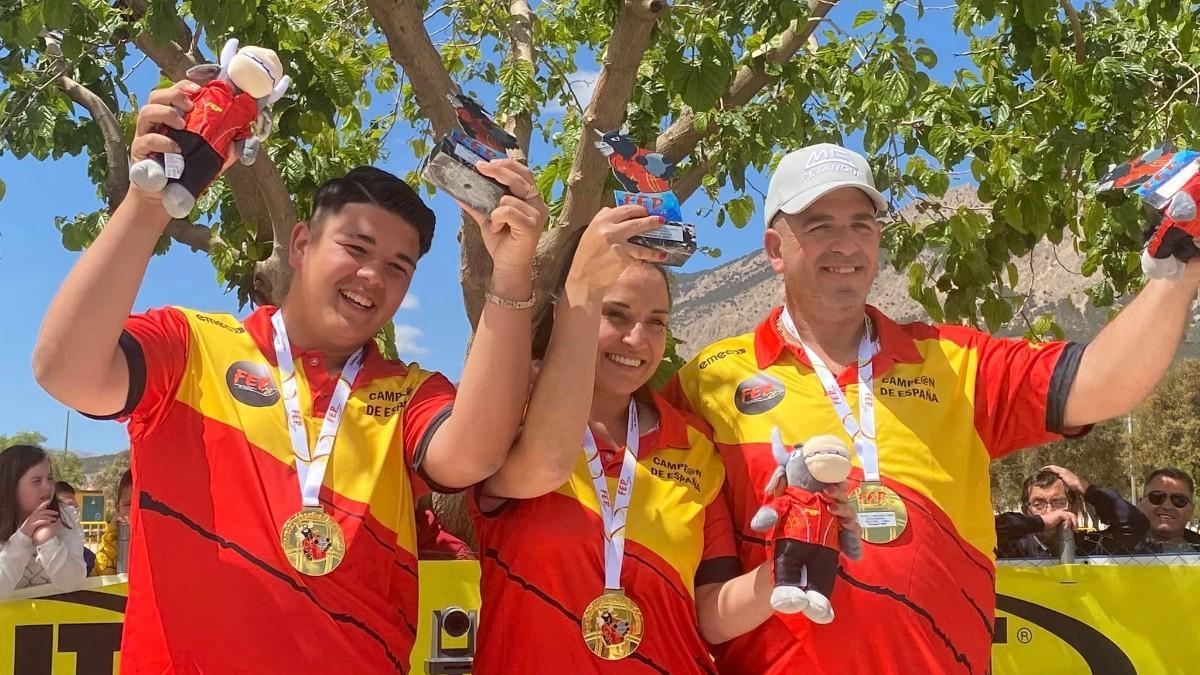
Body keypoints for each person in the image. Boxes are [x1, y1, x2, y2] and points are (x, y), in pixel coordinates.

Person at [32, 80, 548, 672]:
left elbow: (475, 456)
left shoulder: (409, 393)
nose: (373, 277)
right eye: (356, 248)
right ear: (301, 243)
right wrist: (148, 203)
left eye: (397, 267)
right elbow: (63, 370)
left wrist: (511, 274)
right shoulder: (192, 345)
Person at [663, 142, 1200, 674]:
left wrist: (1182, 268)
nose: (845, 244)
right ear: (776, 249)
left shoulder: (954, 360)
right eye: (820, 224)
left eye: (862, 223)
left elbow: (1102, 385)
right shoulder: (710, 381)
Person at [470, 207, 860, 673]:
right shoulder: (510, 419)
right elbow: (541, 467)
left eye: (656, 321)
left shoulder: (692, 444)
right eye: (614, 313)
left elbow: (710, 617)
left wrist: (787, 560)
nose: (638, 338)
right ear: (570, 312)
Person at [995, 465, 1147, 558]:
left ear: (1074, 507)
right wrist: (1041, 523)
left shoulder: (1088, 546)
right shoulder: (1015, 548)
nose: (1050, 512)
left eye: (1059, 502)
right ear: (1026, 511)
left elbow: (1136, 525)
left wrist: (1086, 489)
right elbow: (986, 529)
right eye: (1038, 504)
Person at [0, 445, 87, 598]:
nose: (47, 487)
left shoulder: (65, 515)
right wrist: (23, 537)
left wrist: (48, 541)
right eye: (36, 481)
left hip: (54, 617)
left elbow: (71, 582)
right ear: (11, 485)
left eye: (50, 478)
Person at [1137, 467, 1200, 553]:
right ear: (1141, 503)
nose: (1167, 506)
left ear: (1191, 510)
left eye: (1179, 499)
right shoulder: (1114, 550)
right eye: (1157, 497)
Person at [92, 469, 133, 576]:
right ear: (117, 508)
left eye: (143, 504)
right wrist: (112, 543)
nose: (135, 511)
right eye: (128, 505)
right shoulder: (108, 548)